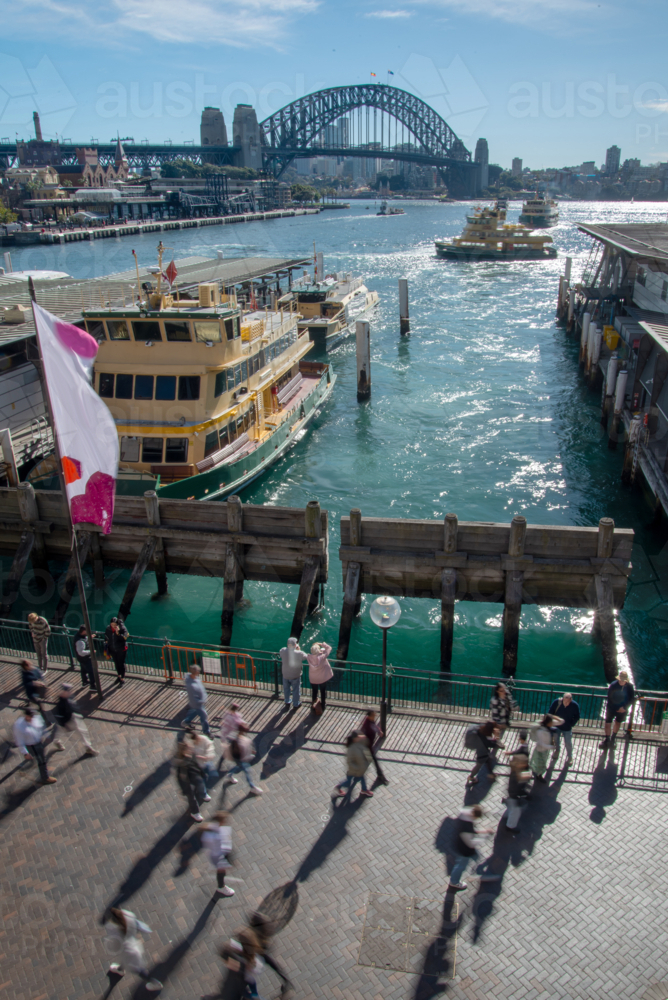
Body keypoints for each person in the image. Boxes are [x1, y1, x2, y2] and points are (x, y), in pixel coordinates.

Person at [103, 907, 162, 991]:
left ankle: (155, 983)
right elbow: (138, 925)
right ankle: (120, 969)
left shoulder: (115, 932)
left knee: (138, 970)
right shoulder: (127, 915)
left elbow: (115, 948)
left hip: (130, 954)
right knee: (126, 962)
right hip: (133, 947)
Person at [447, 805, 493, 892]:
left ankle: (477, 870)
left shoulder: (466, 814)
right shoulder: (466, 828)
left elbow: (472, 831)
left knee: (475, 857)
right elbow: (471, 844)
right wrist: (485, 836)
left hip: (460, 843)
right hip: (464, 850)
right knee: (461, 866)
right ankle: (454, 882)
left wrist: (483, 831)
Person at [248, 911, 292, 994]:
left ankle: (286, 981)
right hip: (262, 949)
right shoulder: (264, 924)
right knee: (273, 965)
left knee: (250, 972)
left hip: (260, 951)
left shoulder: (256, 928)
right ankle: (286, 980)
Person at [13, 708, 57, 784]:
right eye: (30, 717)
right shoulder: (19, 726)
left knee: (41, 758)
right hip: (31, 745)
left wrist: (46, 736)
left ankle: (34, 757)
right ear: (26, 716)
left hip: (38, 742)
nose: (32, 719)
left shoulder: (36, 718)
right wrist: (25, 753)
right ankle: (45, 777)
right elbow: (20, 741)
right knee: (42, 761)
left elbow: (42, 727)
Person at [52, 683, 98, 755]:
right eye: (67, 690)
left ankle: (88, 747)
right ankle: (56, 742)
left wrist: (78, 712)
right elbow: (59, 715)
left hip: (73, 717)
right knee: (60, 731)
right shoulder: (61, 704)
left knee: (82, 731)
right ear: (64, 692)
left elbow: (73, 706)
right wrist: (64, 724)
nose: (69, 692)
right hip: (66, 721)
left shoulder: (69, 697)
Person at [173, 738, 210, 821]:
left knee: (201, 785)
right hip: (187, 782)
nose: (191, 749)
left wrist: (201, 772)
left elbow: (196, 764)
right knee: (191, 798)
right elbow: (180, 778)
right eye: (189, 749)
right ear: (184, 751)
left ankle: (203, 794)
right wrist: (184, 789)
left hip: (195, 775)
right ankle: (195, 812)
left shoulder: (191, 754)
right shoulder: (181, 763)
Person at [223, 724, 263, 795]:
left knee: (238, 767)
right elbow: (242, 754)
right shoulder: (241, 741)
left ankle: (229, 775)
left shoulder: (239, 738)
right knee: (247, 772)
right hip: (242, 760)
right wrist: (250, 755)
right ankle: (252, 787)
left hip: (240, 759)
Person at [202, 811, 234, 897]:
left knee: (222, 870)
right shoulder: (215, 834)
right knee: (221, 871)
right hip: (218, 856)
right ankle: (221, 887)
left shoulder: (215, 829)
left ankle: (221, 885)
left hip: (218, 854)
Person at [334, 731, 373, 799]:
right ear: (354, 739)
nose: (360, 737)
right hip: (353, 770)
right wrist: (357, 768)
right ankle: (339, 786)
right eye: (358, 737)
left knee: (363, 779)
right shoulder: (351, 749)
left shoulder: (359, 743)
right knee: (348, 782)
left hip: (360, 770)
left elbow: (366, 746)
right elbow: (349, 762)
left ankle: (364, 790)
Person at [600, 671, 636, 747]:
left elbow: (632, 699)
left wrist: (624, 707)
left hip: (622, 710)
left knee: (618, 723)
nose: (622, 681)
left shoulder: (629, 686)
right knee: (607, 724)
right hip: (611, 708)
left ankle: (613, 739)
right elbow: (610, 697)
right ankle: (607, 739)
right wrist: (617, 708)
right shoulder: (613, 685)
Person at [504, 741, 531, 834]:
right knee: (515, 812)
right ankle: (510, 827)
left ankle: (508, 807)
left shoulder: (515, 769)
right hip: (514, 794)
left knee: (513, 809)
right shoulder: (519, 773)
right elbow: (523, 780)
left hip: (513, 792)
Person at [548, 692, 581, 764]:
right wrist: (556, 720)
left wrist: (571, 724)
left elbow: (577, 716)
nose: (566, 703)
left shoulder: (575, 705)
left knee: (568, 743)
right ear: (562, 699)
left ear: (571, 700)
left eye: (568, 702)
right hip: (556, 726)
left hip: (567, 727)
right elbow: (550, 713)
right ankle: (557, 751)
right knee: (556, 740)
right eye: (565, 701)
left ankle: (570, 756)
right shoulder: (557, 702)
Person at [529, 714, 562, 782]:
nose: (552, 724)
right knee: (540, 764)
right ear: (548, 722)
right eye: (551, 722)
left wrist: (554, 716)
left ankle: (538, 774)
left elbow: (562, 721)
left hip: (545, 750)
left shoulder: (548, 727)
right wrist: (551, 747)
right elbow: (541, 743)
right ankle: (538, 775)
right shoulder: (540, 731)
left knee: (542, 763)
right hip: (540, 750)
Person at [465, 720, 499, 785]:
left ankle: (491, 774)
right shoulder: (486, 738)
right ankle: (471, 777)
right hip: (482, 753)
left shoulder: (481, 728)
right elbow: (494, 744)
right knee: (479, 765)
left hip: (482, 750)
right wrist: (497, 736)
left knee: (488, 761)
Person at [360, 708, 388, 785]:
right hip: (367, 747)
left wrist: (379, 731)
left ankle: (379, 774)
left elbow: (374, 725)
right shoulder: (367, 725)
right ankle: (380, 775)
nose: (375, 716)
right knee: (374, 760)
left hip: (368, 747)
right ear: (369, 716)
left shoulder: (370, 720)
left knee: (370, 760)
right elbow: (362, 733)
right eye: (373, 715)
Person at [279, 636, 308, 710]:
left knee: (286, 689)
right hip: (295, 675)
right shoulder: (299, 653)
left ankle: (287, 701)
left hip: (285, 675)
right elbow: (306, 657)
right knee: (296, 690)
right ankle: (295, 703)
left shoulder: (283, 650)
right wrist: (299, 649)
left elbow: (281, 652)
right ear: (295, 645)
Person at [183, 664, 211, 736]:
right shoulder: (192, 685)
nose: (199, 672)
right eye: (198, 671)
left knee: (193, 712)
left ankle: (186, 721)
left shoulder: (193, 677)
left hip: (196, 704)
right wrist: (202, 701)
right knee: (204, 717)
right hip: (198, 704)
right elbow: (193, 697)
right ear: (195, 672)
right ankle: (206, 731)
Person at [307, 641, 333, 714]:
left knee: (314, 692)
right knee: (323, 692)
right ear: (318, 651)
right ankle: (323, 705)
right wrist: (321, 644)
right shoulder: (322, 657)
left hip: (313, 678)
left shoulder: (308, 657)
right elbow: (329, 648)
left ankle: (313, 704)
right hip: (322, 678)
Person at [74, 625, 96, 690]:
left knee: (83, 670)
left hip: (81, 658)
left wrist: (89, 638)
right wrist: (91, 651)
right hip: (85, 658)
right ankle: (92, 686)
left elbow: (84, 640)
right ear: (83, 631)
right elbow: (81, 652)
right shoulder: (80, 641)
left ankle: (85, 682)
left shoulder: (78, 636)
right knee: (91, 671)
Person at [107, 621, 128, 685]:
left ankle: (122, 678)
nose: (113, 626)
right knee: (116, 663)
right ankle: (119, 676)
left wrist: (117, 633)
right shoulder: (109, 629)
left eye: (114, 625)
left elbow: (124, 638)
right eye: (112, 624)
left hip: (121, 650)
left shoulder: (123, 629)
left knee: (121, 664)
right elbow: (106, 636)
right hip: (113, 650)